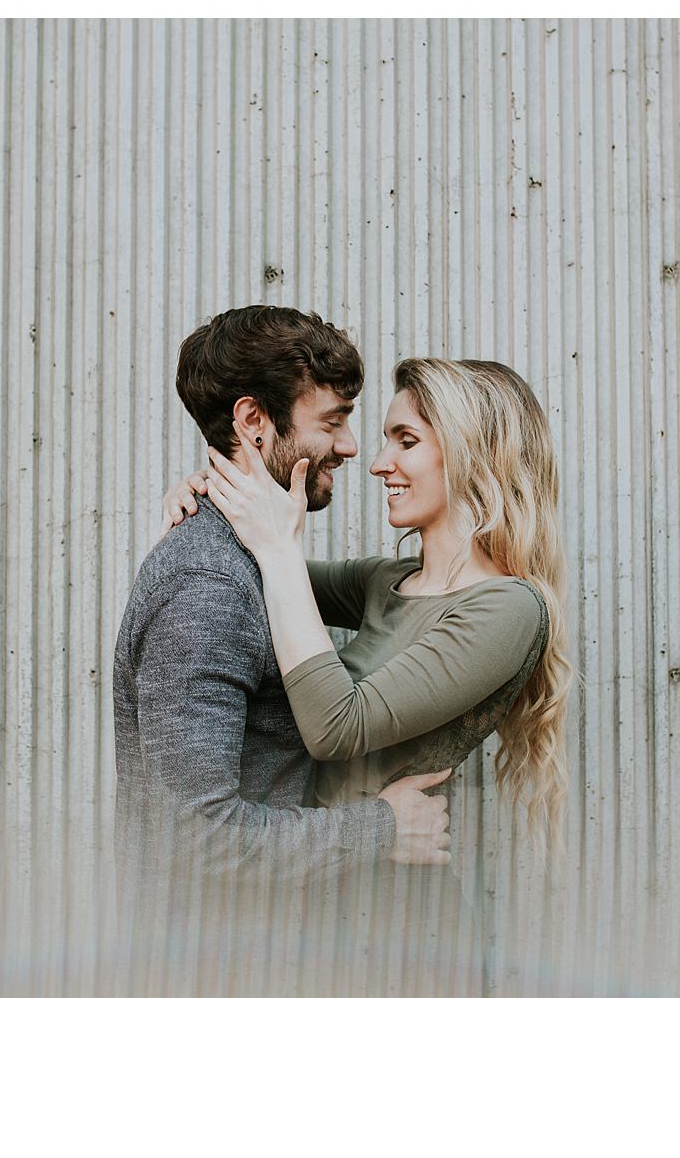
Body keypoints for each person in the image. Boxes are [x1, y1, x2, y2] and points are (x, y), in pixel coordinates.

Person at [162, 357, 573, 993]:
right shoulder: (387, 582)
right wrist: (215, 499)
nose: (379, 462)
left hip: (401, 934)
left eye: (404, 441)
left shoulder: (508, 610)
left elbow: (336, 725)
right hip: (313, 910)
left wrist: (274, 544)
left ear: (475, 454)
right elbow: (253, 569)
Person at [113, 306, 454, 996]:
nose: (353, 446)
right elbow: (199, 838)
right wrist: (382, 829)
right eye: (332, 420)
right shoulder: (208, 586)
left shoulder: (252, 562)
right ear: (254, 422)